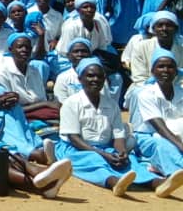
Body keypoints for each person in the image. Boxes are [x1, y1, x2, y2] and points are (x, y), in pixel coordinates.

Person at [57, 58, 174, 197]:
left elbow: (118, 135)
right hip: (76, 149)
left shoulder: (111, 105)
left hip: (106, 147)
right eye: (90, 76)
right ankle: (114, 183)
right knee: (94, 161)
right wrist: (103, 154)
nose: (95, 79)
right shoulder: (71, 103)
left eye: (99, 76)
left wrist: (121, 152)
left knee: (129, 162)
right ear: (80, 79)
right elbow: (74, 138)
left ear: (104, 79)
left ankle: (156, 183)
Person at [128, 48, 183, 192]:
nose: (166, 70)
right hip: (147, 137)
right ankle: (175, 171)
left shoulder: (180, 92)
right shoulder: (146, 94)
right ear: (153, 71)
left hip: (176, 134)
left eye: (170, 66)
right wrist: (180, 145)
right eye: (161, 66)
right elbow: (160, 128)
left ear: (176, 71)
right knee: (162, 145)